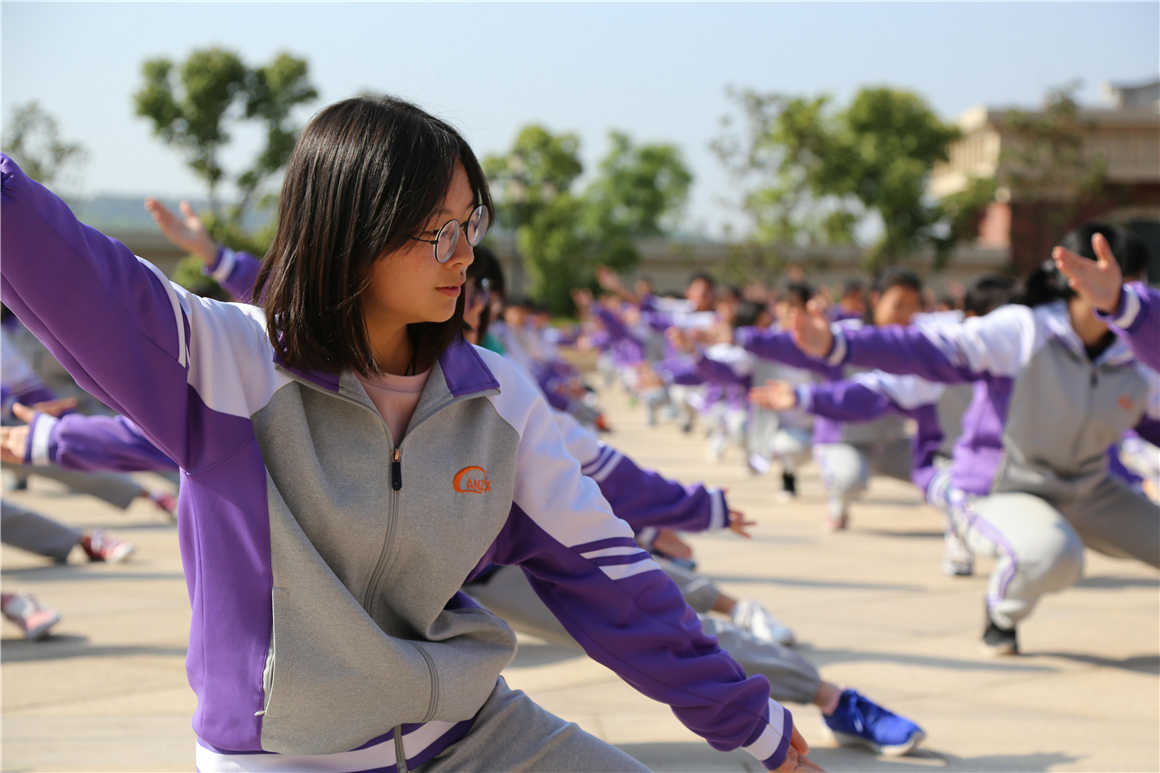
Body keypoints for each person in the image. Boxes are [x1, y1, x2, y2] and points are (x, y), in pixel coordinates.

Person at [1, 95, 815, 772]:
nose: (465, 256)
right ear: (353, 229)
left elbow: (612, 580)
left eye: (472, 222)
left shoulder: (497, 398)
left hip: (470, 731)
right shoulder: (226, 362)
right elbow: (68, 265)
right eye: (438, 230)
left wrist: (757, 729)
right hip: (285, 757)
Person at [790, 223, 1160, 655]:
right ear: (1076, 278)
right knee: (1055, 555)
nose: (1138, 298)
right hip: (1000, 487)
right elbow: (927, 349)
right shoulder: (1024, 329)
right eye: (1127, 285)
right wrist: (839, 344)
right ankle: (1001, 613)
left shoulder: (1136, 354)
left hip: (1087, 488)